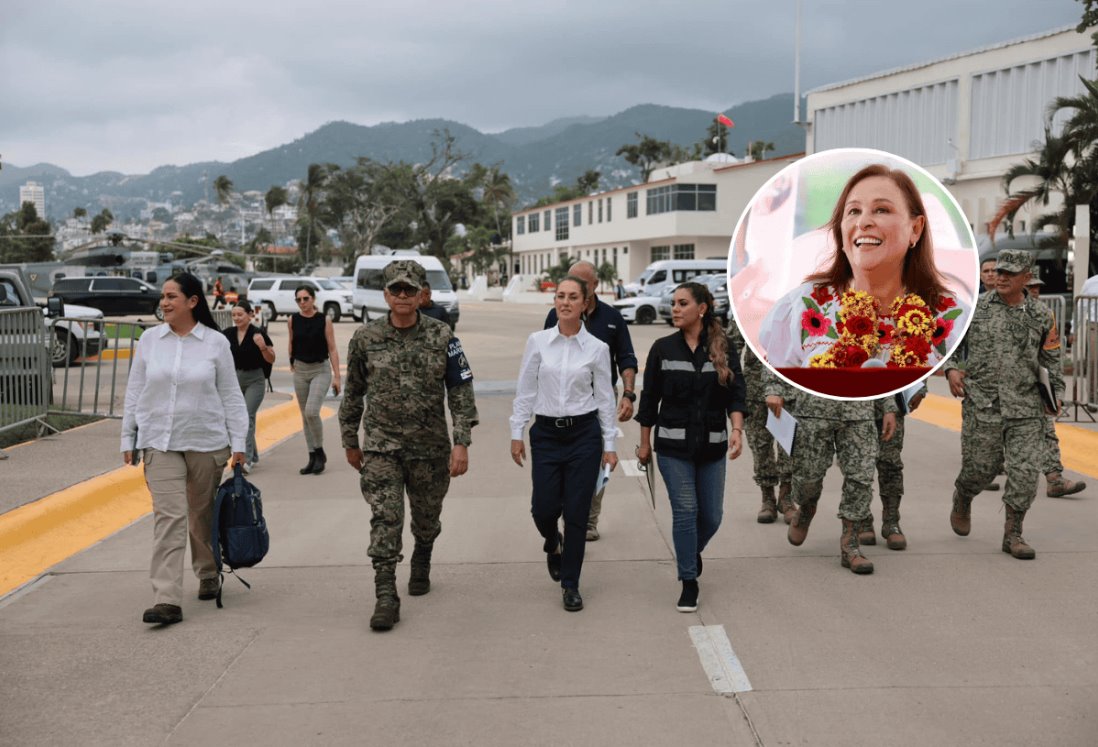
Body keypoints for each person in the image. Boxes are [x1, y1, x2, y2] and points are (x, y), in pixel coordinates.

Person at [340, 260, 478, 631]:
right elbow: (352, 393)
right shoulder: (365, 339)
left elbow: (461, 391)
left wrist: (461, 441)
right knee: (386, 518)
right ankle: (386, 594)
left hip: (430, 448)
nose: (402, 296)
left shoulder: (443, 336)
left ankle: (423, 554)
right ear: (385, 295)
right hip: (382, 447)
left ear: (421, 295)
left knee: (426, 517)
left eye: (409, 290)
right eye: (396, 289)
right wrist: (350, 441)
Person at [121, 272, 247, 626]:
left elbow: (231, 396)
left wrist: (240, 443)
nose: (164, 302)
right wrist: (127, 437)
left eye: (172, 296)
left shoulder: (215, 343)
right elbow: (135, 391)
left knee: (200, 513)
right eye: (163, 296)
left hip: (206, 441)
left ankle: (207, 571)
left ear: (193, 302)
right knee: (169, 517)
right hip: (159, 441)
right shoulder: (149, 340)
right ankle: (167, 599)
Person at [759, 163, 968, 370]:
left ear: (915, 228)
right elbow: (778, 391)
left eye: (881, 210)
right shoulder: (801, 308)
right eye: (854, 211)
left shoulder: (955, 319)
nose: (863, 222)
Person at [945, 249, 1064, 559]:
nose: (1000, 277)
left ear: (1027, 277)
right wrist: (952, 369)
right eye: (998, 271)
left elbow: (1051, 360)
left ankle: (1013, 533)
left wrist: (1057, 394)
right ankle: (963, 496)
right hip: (983, 403)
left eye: (1009, 273)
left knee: (1025, 473)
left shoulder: (1041, 315)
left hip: (1026, 406)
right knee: (979, 470)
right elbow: (953, 344)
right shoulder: (976, 309)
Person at [636, 282, 746, 611]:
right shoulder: (662, 348)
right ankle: (688, 580)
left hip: (713, 446)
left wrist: (737, 429)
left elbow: (737, 393)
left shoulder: (723, 347)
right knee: (686, 512)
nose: (676, 309)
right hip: (672, 447)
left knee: (711, 517)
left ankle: (688, 552)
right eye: (674, 303)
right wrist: (644, 443)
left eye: (683, 303)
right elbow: (649, 399)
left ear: (702, 308)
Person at [512, 275, 618, 612]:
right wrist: (517, 432)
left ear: (585, 304)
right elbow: (525, 389)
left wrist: (610, 443)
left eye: (573, 297)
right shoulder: (538, 342)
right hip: (545, 435)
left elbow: (605, 398)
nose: (565, 302)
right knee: (542, 508)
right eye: (560, 296)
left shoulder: (598, 349)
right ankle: (551, 542)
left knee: (576, 513)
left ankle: (571, 584)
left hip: (583, 436)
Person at [543, 260, 638, 541]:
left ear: (594, 286)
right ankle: (566, 511)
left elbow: (627, 358)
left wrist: (629, 394)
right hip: (563, 400)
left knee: (598, 459)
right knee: (564, 458)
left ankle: (587, 519)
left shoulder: (612, 318)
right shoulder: (555, 315)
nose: (571, 291)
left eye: (580, 284)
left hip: (601, 399)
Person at [764, 380, 897, 575]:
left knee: (861, 477)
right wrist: (774, 389)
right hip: (813, 409)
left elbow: (879, 363)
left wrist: (888, 405)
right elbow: (778, 352)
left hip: (859, 410)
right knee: (807, 477)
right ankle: (807, 507)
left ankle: (850, 544)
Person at [1023, 273, 1085, 498]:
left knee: (1046, 428)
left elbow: (1052, 353)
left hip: (1035, 381)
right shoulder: (995, 310)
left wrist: (1056, 390)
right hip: (999, 385)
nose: (1035, 291)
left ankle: (1054, 478)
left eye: (1037, 287)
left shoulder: (1045, 314)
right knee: (993, 436)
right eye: (1031, 287)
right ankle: (982, 474)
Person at [729, 323, 792, 523]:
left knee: (788, 446)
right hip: (754, 390)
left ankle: (786, 497)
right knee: (760, 446)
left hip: (788, 390)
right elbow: (732, 347)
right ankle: (768, 498)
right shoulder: (747, 310)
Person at [857, 384, 926, 550]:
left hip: (893, 403)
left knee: (891, 465)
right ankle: (862, 518)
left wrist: (920, 389)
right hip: (857, 406)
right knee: (859, 467)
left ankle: (891, 521)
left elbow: (918, 359)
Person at [289, 283, 341, 475]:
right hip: (300, 371)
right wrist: (291, 361)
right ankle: (312, 457)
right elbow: (291, 342)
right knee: (305, 416)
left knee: (312, 411)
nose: (302, 303)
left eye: (306, 298)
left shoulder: (324, 320)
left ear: (313, 299)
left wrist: (337, 377)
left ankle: (320, 451)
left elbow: (333, 348)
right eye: (299, 300)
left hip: (320, 369)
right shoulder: (292, 320)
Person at [223, 299, 275, 474]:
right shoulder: (228, 334)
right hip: (235, 379)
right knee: (242, 417)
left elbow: (271, 358)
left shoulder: (258, 333)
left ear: (250, 315)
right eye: (234, 315)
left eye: (240, 314)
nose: (237, 318)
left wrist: (262, 347)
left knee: (246, 416)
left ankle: (246, 459)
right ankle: (255, 455)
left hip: (255, 379)